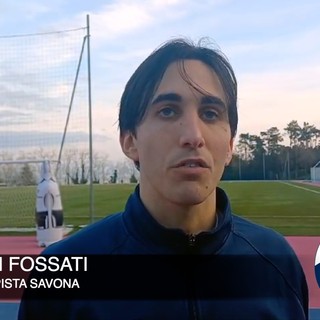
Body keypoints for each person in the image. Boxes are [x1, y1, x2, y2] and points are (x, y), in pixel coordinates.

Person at [18, 37, 309, 320]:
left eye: (210, 113)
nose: (193, 136)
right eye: (168, 111)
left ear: (231, 144)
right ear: (130, 140)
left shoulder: (277, 261)